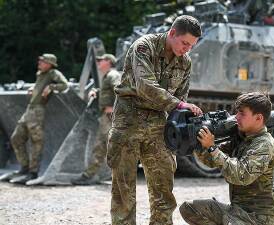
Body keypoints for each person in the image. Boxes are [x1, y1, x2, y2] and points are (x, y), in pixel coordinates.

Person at [107, 15, 202, 225]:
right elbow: (145, 85)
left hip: (159, 123)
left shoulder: (185, 62)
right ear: (172, 33)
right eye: (184, 43)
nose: (187, 49)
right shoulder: (144, 46)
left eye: (192, 46)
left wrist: (184, 115)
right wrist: (178, 105)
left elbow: (182, 97)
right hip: (128, 119)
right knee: (124, 188)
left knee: (163, 186)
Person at [180, 91, 274, 225]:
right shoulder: (242, 138)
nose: (236, 117)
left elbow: (241, 175)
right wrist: (198, 142)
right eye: (237, 112)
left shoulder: (265, 144)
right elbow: (210, 161)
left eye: (242, 113)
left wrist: (213, 148)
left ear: (258, 118)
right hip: (236, 211)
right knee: (189, 208)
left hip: (256, 218)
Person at [0, 53, 68, 184]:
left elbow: (64, 85)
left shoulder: (53, 73)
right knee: (16, 139)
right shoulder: (40, 74)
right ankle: (24, 167)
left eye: (42, 61)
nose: (39, 63)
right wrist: (34, 88)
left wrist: (51, 87)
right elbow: (39, 86)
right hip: (29, 110)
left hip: (37, 110)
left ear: (49, 64)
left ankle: (33, 172)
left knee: (36, 141)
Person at [72, 53, 121, 185]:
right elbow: (109, 91)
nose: (98, 63)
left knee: (107, 146)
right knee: (102, 146)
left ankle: (92, 175)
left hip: (111, 117)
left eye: (101, 60)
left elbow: (121, 91)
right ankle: (90, 174)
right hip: (107, 117)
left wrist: (114, 108)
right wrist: (97, 92)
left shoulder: (113, 75)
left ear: (109, 62)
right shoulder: (108, 76)